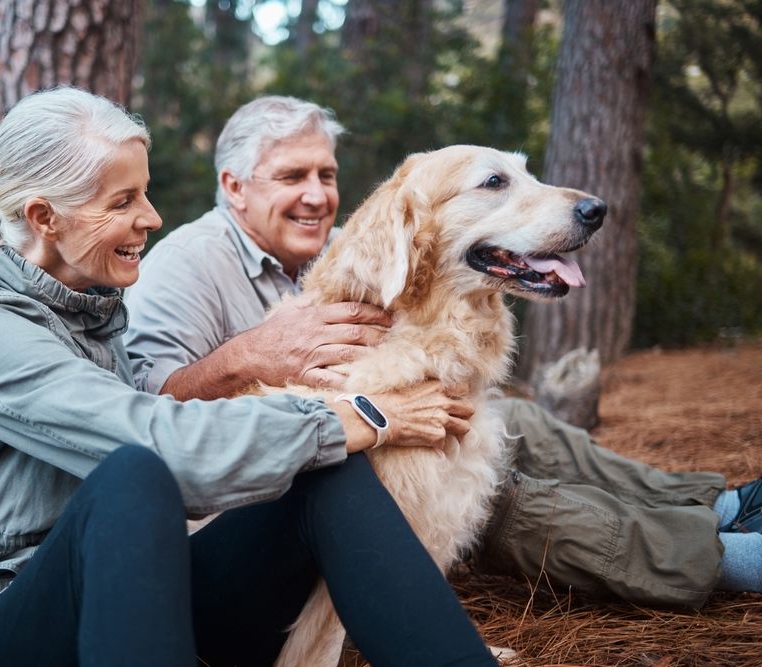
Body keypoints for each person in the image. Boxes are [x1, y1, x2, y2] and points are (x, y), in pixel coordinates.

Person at [0, 87, 498, 667]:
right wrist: (363, 415)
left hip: (144, 594)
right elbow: (158, 446)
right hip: (13, 626)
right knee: (136, 471)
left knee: (325, 469)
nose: (152, 218)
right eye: (123, 202)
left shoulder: (92, 305)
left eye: (145, 194)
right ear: (44, 217)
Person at [124, 94, 762, 610]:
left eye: (327, 174)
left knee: (522, 422)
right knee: (497, 489)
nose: (317, 194)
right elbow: (146, 408)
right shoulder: (187, 262)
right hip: (271, 489)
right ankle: (719, 558)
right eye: (293, 176)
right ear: (234, 187)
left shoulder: (358, 244)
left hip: (358, 427)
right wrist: (248, 356)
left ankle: (719, 503)